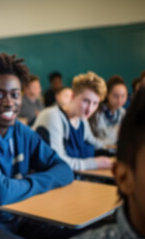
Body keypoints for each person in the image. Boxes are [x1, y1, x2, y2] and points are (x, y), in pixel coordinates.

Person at [0, 52, 73, 238]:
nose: (9, 103)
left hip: (19, 216)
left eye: (15, 95)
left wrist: (17, 186)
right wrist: (35, 183)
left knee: (79, 232)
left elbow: (65, 170)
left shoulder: (20, 130)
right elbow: (0, 193)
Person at [74, 87, 145, 239]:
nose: (89, 107)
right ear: (124, 178)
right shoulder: (58, 118)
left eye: (94, 103)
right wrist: (95, 161)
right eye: (86, 101)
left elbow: (96, 141)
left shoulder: (121, 113)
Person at [33, 72, 113, 171]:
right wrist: (95, 163)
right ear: (72, 96)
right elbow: (58, 162)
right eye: (86, 101)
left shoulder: (81, 119)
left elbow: (95, 143)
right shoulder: (53, 116)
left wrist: (113, 151)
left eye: (95, 103)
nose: (90, 109)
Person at [89, 75, 127, 146]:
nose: (120, 100)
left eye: (123, 96)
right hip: (99, 150)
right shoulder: (96, 112)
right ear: (107, 94)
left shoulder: (123, 113)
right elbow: (93, 138)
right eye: (116, 96)